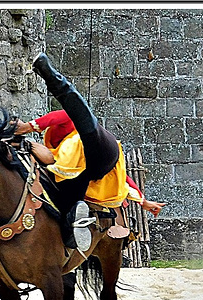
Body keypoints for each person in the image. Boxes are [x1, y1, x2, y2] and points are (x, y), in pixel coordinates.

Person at [15, 52, 165, 250]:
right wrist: (143, 201)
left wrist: (31, 126)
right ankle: (72, 233)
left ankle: (48, 72)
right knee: (66, 204)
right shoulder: (60, 157)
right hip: (87, 175)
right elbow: (123, 179)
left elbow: (64, 115)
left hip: (101, 152)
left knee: (84, 119)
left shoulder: (69, 133)